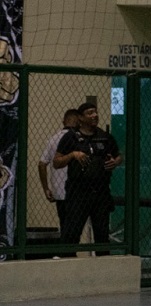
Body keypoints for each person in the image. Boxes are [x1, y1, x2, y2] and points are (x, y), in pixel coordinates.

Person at [53, 102, 123, 255]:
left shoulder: (105, 137)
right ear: (80, 118)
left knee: (102, 234)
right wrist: (73, 155)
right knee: (72, 233)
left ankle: (103, 271)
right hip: (78, 192)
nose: (94, 115)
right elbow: (56, 162)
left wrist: (115, 162)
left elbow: (119, 156)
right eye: (90, 113)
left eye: (96, 112)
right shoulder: (70, 137)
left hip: (100, 192)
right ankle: (68, 266)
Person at [38, 109, 79, 234]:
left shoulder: (53, 139)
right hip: (78, 191)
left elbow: (42, 164)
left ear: (63, 121)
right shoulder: (80, 138)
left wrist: (46, 188)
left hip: (59, 191)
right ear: (79, 122)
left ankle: (65, 251)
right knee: (76, 228)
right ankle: (71, 251)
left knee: (65, 224)